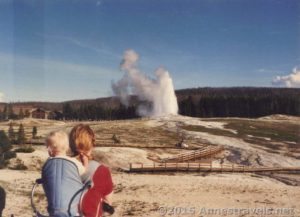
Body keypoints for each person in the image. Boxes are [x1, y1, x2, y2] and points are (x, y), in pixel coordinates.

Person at [69, 124, 114, 217]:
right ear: (92, 144)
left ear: (71, 144)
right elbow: (108, 202)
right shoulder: (102, 171)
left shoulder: (64, 167)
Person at [43, 131, 85, 217]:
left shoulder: (48, 163)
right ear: (67, 147)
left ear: (50, 150)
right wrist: (85, 163)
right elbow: (83, 171)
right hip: (72, 210)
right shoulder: (73, 162)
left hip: (53, 210)